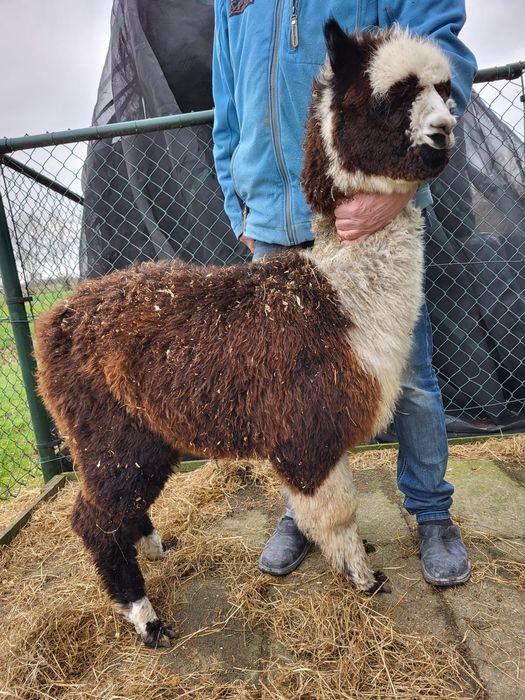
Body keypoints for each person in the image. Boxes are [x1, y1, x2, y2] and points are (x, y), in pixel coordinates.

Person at [212, 1, 477, 586]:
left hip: (366, 204)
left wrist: (402, 188)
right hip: (272, 221)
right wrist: (239, 204)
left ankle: (431, 511)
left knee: (404, 375)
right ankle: (303, 514)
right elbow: (227, 104)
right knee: (288, 392)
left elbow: (441, 45)